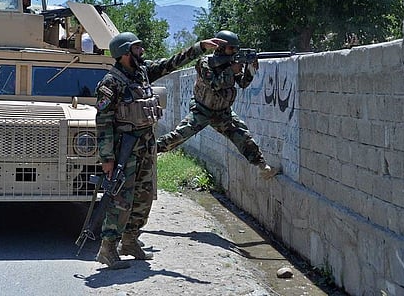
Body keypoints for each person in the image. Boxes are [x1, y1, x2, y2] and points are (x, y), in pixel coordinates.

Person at [94, 31, 225, 269]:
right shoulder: (111, 83)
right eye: (136, 48)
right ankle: (108, 248)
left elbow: (171, 63)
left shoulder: (143, 72)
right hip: (125, 149)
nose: (141, 51)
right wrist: (107, 159)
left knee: (144, 196)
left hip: (145, 146)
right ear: (124, 54)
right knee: (121, 198)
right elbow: (103, 123)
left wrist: (199, 47)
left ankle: (130, 241)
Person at [156, 30, 280, 180]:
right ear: (220, 48)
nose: (234, 51)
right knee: (179, 136)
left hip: (222, 113)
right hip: (201, 110)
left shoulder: (231, 63)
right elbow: (214, 84)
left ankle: (263, 167)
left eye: (235, 49)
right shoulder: (205, 63)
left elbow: (243, 83)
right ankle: (150, 150)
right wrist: (230, 70)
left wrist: (250, 69)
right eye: (231, 48)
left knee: (243, 136)